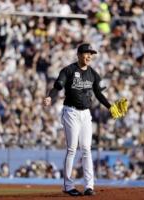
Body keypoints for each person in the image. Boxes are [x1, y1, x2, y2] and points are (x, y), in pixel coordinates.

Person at [43, 43, 128, 196]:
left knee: (87, 149)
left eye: (91, 54)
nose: (89, 56)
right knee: (71, 149)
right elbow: (58, 86)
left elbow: (99, 94)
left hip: (86, 114)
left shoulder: (93, 74)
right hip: (71, 112)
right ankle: (68, 186)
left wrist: (110, 107)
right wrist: (50, 96)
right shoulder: (68, 70)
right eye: (86, 53)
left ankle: (89, 186)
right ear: (78, 54)